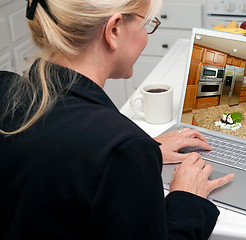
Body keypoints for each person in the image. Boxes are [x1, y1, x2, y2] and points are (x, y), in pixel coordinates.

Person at [0, 0, 234, 239]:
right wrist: (187, 199)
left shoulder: (4, 87)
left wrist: (140, 153)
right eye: (146, 25)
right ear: (114, 30)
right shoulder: (122, 148)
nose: (146, 36)